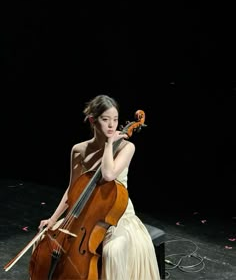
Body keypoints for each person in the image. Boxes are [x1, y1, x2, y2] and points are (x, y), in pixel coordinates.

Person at [38, 94, 160, 280]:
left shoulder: (126, 148)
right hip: (84, 216)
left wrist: (109, 145)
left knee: (112, 252)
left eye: (115, 120)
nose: (112, 125)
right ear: (93, 120)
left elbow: (108, 174)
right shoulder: (78, 150)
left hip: (117, 217)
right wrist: (53, 219)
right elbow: (72, 190)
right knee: (45, 240)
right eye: (105, 120)